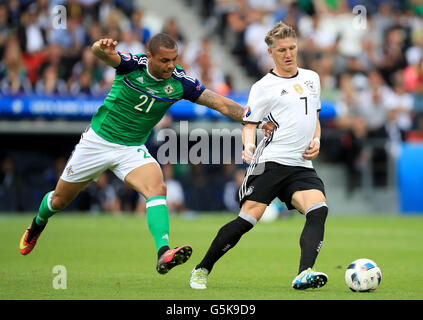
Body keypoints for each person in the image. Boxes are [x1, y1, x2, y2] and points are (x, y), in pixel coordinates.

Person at [18, 33, 274, 275]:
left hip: (130, 148)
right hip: (97, 142)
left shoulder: (180, 82)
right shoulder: (132, 66)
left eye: (174, 60)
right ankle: (37, 225)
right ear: (149, 57)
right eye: (164, 60)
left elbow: (219, 103)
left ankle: (163, 252)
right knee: (59, 201)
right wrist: (99, 47)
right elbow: (102, 54)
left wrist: (256, 122)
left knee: (157, 188)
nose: (170, 66)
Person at [189, 22, 329, 290]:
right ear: (270, 52)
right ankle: (202, 268)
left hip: (301, 164)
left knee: (318, 210)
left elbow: (315, 118)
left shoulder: (312, 78)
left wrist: (317, 139)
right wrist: (249, 146)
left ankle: (304, 273)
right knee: (247, 220)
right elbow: (250, 124)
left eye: (292, 48)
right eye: (281, 50)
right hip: (271, 161)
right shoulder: (263, 86)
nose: (288, 54)